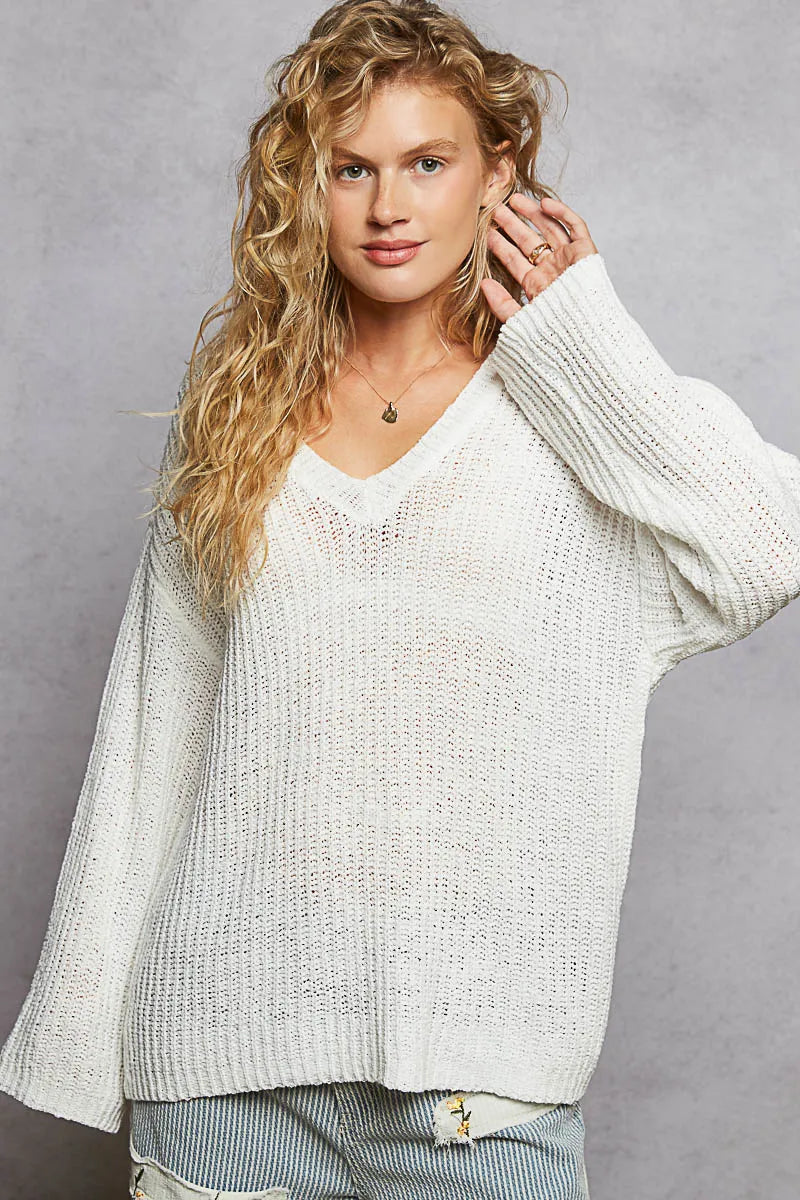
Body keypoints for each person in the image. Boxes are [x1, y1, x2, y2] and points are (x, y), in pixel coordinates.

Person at [2, 1, 799, 1197]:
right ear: (306, 189)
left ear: (497, 174)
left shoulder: (573, 414)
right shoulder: (236, 417)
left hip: (482, 1104)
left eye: (427, 163)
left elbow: (765, 548)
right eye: (350, 169)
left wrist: (578, 333)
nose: (387, 207)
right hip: (222, 1082)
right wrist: (80, 1047)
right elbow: (153, 739)